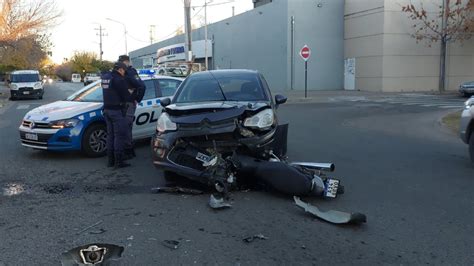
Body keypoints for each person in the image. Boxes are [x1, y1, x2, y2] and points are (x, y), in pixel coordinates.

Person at [102, 61, 132, 168]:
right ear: (120, 69)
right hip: (116, 111)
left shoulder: (106, 77)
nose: (124, 73)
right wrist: (131, 94)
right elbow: (126, 96)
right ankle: (118, 162)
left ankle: (110, 161)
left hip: (106, 110)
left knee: (111, 135)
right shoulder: (118, 79)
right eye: (124, 71)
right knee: (119, 136)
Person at [118, 55, 145, 159]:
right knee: (123, 128)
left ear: (127, 62)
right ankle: (126, 150)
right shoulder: (119, 72)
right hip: (120, 104)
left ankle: (128, 151)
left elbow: (142, 86)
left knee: (126, 127)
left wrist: (137, 99)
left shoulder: (131, 72)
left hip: (129, 104)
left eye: (122, 62)